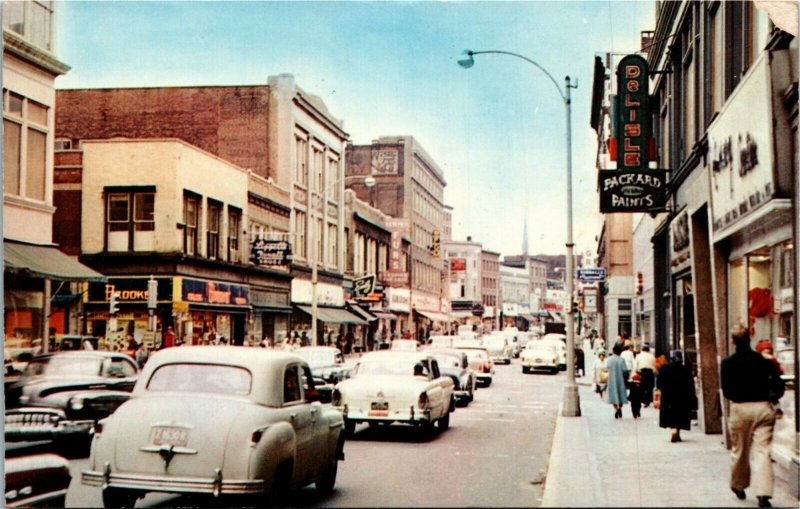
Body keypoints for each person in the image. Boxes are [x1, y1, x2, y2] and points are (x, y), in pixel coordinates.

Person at [721, 327, 785, 508]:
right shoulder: (763, 361)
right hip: (763, 408)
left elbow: (727, 391)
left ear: (733, 341)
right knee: (763, 451)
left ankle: (738, 485)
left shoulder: (728, 363)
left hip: (740, 408)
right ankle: (763, 494)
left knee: (739, 450)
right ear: (750, 339)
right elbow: (778, 385)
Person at [657, 350, 695, 443]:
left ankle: (673, 430)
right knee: (680, 414)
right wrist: (691, 394)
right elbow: (690, 384)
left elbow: (659, 383)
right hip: (682, 396)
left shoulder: (664, 368)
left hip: (668, 396)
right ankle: (677, 432)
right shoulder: (685, 369)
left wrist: (662, 389)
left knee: (670, 414)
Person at [606, 343, 629, 419]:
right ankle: (620, 408)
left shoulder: (609, 359)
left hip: (611, 380)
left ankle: (616, 409)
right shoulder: (621, 360)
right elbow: (625, 370)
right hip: (621, 380)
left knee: (612, 395)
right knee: (621, 394)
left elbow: (607, 367)